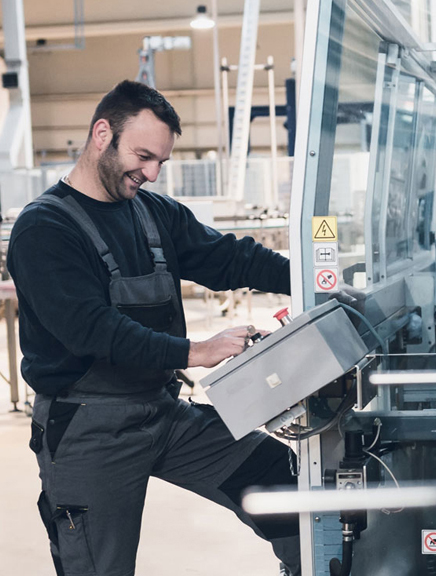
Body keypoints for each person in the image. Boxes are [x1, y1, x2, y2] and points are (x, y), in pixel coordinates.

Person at [8, 80, 301, 575]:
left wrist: (313, 278)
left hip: (162, 411)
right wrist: (195, 351)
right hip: (89, 429)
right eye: (143, 157)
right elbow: (92, 330)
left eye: (161, 161)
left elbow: (229, 259)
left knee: (282, 480)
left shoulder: (152, 212)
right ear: (102, 134)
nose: (151, 173)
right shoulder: (45, 229)